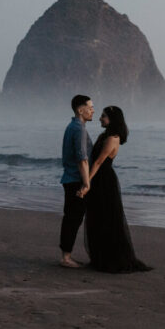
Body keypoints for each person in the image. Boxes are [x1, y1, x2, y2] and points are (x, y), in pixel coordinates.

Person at [83, 106, 152, 273]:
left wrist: (87, 183)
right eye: (100, 115)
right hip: (99, 179)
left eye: (104, 116)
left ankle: (109, 259)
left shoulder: (113, 138)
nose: (100, 118)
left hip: (105, 181)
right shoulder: (104, 135)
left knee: (107, 218)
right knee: (97, 217)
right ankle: (99, 257)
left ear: (112, 119)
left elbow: (99, 162)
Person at [59, 94, 94, 268]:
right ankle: (66, 258)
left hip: (69, 178)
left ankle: (66, 255)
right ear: (80, 110)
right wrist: (86, 184)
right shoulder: (79, 128)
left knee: (70, 218)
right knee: (73, 219)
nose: (93, 110)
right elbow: (82, 158)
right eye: (90, 107)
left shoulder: (72, 126)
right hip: (75, 181)